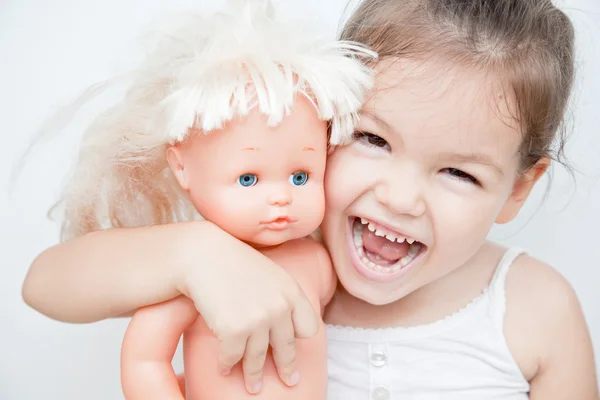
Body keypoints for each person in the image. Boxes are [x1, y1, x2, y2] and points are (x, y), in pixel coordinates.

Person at [22, 0, 599, 398]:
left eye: (457, 173)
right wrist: (194, 254)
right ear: (325, 123)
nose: (399, 198)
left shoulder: (533, 306)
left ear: (517, 189)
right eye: (372, 139)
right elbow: (46, 286)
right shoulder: (258, 261)